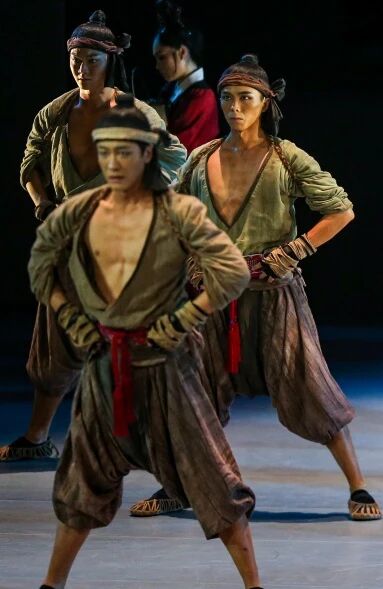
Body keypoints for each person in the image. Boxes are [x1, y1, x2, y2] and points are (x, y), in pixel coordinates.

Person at [28, 107, 262, 589]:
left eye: (124, 152)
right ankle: (52, 584)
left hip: (166, 368)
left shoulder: (177, 212)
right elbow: (41, 265)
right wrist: (72, 317)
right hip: (104, 368)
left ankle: (254, 585)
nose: (113, 163)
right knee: (81, 483)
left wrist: (185, 317)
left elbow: (232, 270)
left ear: (147, 155)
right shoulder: (79, 211)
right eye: (105, 153)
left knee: (214, 481)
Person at [140, 54, 381, 521]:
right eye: (227, 98)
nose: (235, 107)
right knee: (191, 390)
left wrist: (295, 250)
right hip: (213, 296)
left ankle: (359, 486)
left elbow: (341, 210)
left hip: (274, 296)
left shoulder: (285, 157)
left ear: (265, 102)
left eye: (245, 98)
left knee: (310, 388)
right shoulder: (200, 159)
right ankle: (176, 484)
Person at [2, 11, 187, 463]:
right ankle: (38, 436)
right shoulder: (57, 112)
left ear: (110, 61)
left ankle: (149, 446)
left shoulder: (134, 112)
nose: (82, 69)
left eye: (91, 61)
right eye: (76, 60)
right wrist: (42, 203)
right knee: (55, 341)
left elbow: (173, 158)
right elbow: (29, 162)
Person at [151, 0, 220, 151]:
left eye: (161, 57)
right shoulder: (172, 89)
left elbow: (178, 150)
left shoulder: (203, 97)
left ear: (182, 52)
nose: (157, 66)